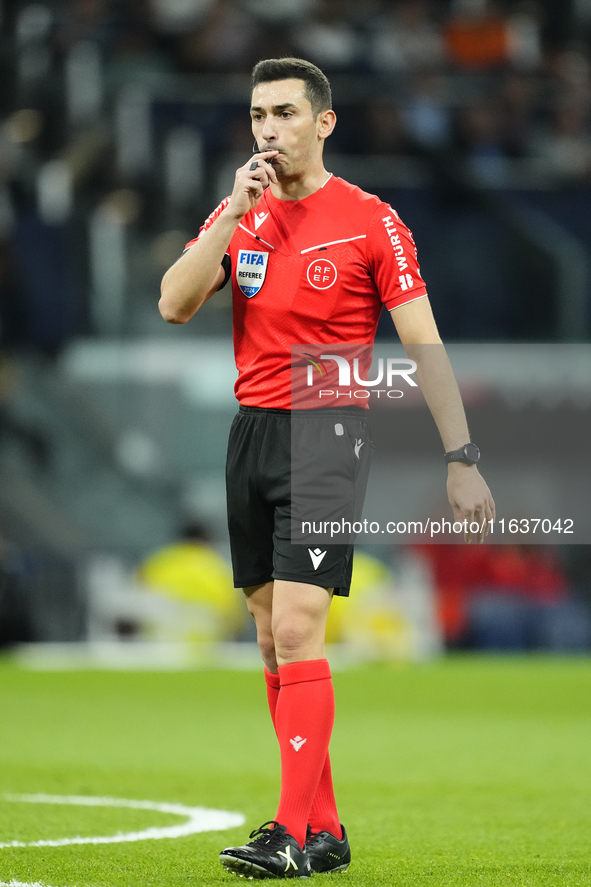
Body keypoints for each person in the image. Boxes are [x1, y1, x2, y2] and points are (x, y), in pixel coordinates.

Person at [159, 57, 495, 880]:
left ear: (323, 122)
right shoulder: (238, 213)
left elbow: (423, 345)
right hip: (252, 434)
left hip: (327, 435)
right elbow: (172, 302)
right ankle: (326, 829)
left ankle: (284, 828)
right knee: (274, 645)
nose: (267, 129)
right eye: (256, 115)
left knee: (300, 628)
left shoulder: (369, 221)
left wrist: (462, 458)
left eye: (282, 113)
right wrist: (227, 217)